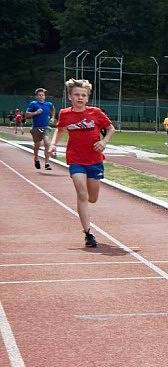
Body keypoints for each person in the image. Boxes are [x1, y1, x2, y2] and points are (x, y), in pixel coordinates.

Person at [47, 79, 115, 248]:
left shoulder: (96, 112)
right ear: (70, 96)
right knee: (82, 194)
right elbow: (60, 129)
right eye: (76, 94)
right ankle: (88, 233)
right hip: (75, 159)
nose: (80, 98)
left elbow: (111, 128)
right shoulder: (64, 113)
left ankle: (87, 225)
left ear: (87, 97)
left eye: (83, 95)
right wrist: (54, 144)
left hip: (94, 160)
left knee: (92, 198)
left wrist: (105, 141)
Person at [26, 88, 55, 170]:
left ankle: (47, 163)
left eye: (43, 95)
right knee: (37, 145)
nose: (41, 96)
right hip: (36, 128)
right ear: (36, 96)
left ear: (45, 96)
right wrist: (36, 112)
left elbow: (53, 109)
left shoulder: (48, 104)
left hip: (45, 127)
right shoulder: (33, 104)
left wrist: (52, 117)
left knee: (47, 143)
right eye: (39, 95)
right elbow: (27, 114)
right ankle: (36, 158)